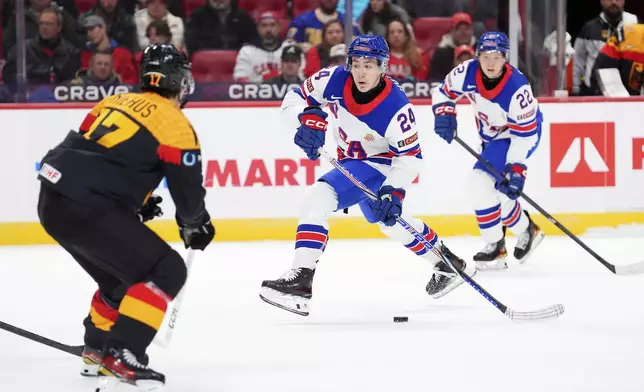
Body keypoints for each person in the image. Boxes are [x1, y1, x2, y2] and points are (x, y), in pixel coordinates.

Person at [36, 44, 215, 389]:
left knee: (120, 280)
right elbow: (186, 189)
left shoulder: (113, 101)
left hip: (53, 202)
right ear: (180, 80)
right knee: (166, 270)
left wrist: (129, 200)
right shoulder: (175, 123)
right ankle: (123, 352)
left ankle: (97, 350)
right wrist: (196, 224)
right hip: (89, 205)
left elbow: (91, 150)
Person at [259, 35, 474, 316]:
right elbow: (293, 99)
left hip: (381, 166)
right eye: (356, 64)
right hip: (352, 160)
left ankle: (301, 278)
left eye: (369, 65)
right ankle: (446, 262)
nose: (361, 72)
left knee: (319, 196)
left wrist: (393, 190)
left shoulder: (396, 108)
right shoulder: (333, 79)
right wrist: (304, 118)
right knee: (385, 219)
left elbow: (410, 158)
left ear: (383, 67)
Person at [432, 32, 544, 271]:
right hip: (491, 138)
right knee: (499, 193)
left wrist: (516, 169)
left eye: (496, 56)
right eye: (485, 56)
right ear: (477, 56)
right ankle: (527, 229)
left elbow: (523, 138)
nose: (490, 63)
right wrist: (444, 112)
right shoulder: (466, 72)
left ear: (505, 58)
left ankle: (495, 245)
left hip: (519, 135)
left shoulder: (517, 89)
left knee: (479, 182)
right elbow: (443, 92)